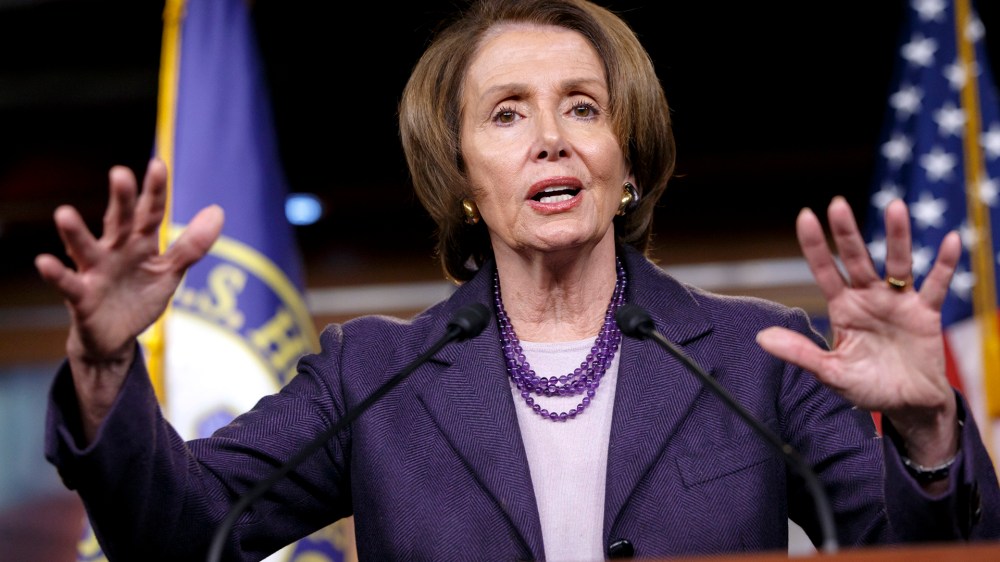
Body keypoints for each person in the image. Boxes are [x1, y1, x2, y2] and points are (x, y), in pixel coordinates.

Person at [38, 0, 1000, 560]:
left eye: (583, 106)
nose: (550, 136)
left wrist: (925, 432)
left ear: (626, 166)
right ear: (459, 182)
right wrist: (104, 367)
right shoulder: (370, 373)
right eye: (506, 114)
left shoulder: (759, 359)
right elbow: (179, 536)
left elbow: (910, 558)